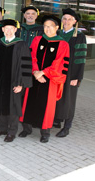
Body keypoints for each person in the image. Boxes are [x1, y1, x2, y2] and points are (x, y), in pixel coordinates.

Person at [20, 15, 70, 143]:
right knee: (29, 102)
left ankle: (45, 132)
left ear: (57, 28)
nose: (47, 29)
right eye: (45, 26)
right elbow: (32, 57)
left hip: (50, 79)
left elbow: (59, 63)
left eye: (50, 27)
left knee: (47, 106)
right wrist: (36, 72)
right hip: (35, 76)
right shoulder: (37, 40)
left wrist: (43, 73)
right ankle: (27, 128)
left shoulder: (62, 44)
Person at [0, 19, 33, 142]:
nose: (8, 31)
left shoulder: (21, 44)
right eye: (6, 28)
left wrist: (21, 84)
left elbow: (26, 65)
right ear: (3, 30)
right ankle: (2, 128)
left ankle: (12, 131)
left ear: (15, 30)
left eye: (11, 29)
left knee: (13, 107)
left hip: (14, 81)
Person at [54, 8, 87, 137]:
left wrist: (77, 77)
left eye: (69, 19)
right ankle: (56, 119)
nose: (66, 21)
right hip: (57, 73)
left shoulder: (79, 36)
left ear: (74, 22)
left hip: (71, 74)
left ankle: (67, 126)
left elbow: (81, 58)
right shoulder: (58, 34)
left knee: (69, 100)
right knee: (57, 97)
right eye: (64, 19)